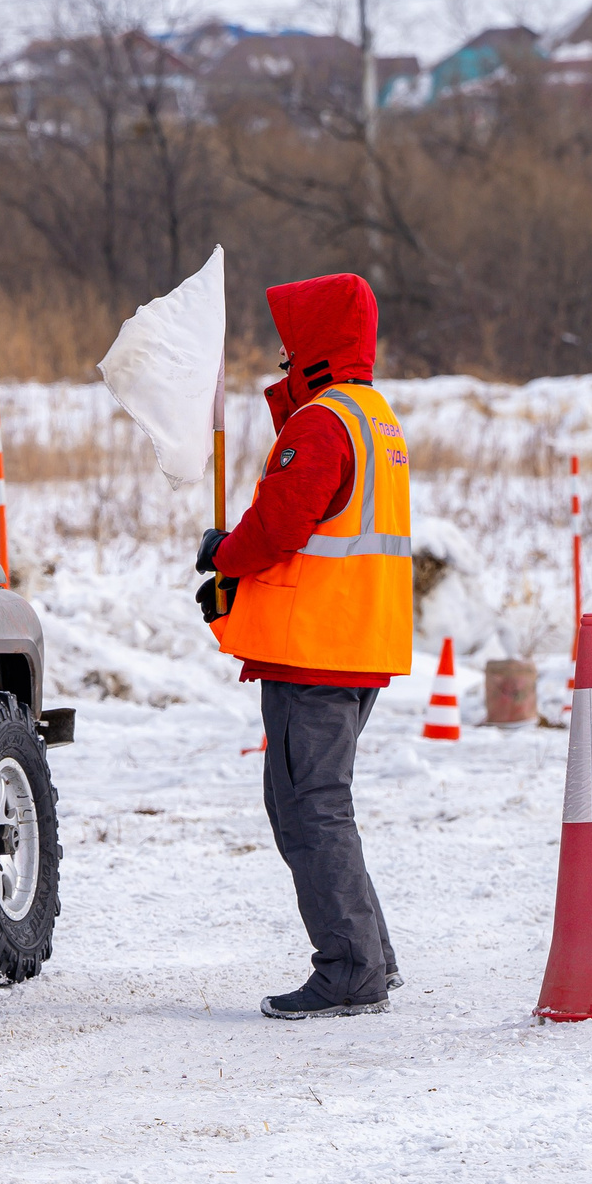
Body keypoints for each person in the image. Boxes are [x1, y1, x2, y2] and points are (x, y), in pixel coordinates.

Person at [195, 273, 413, 1019]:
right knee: (319, 807)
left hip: (316, 652)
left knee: (310, 810)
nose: (283, 353)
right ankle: (371, 955)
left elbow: (284, 524)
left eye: (293, 339)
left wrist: (226, 552)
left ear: (317, 341)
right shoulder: (372, 416)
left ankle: (353, 968)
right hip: (354, 645)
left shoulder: (323, 424)